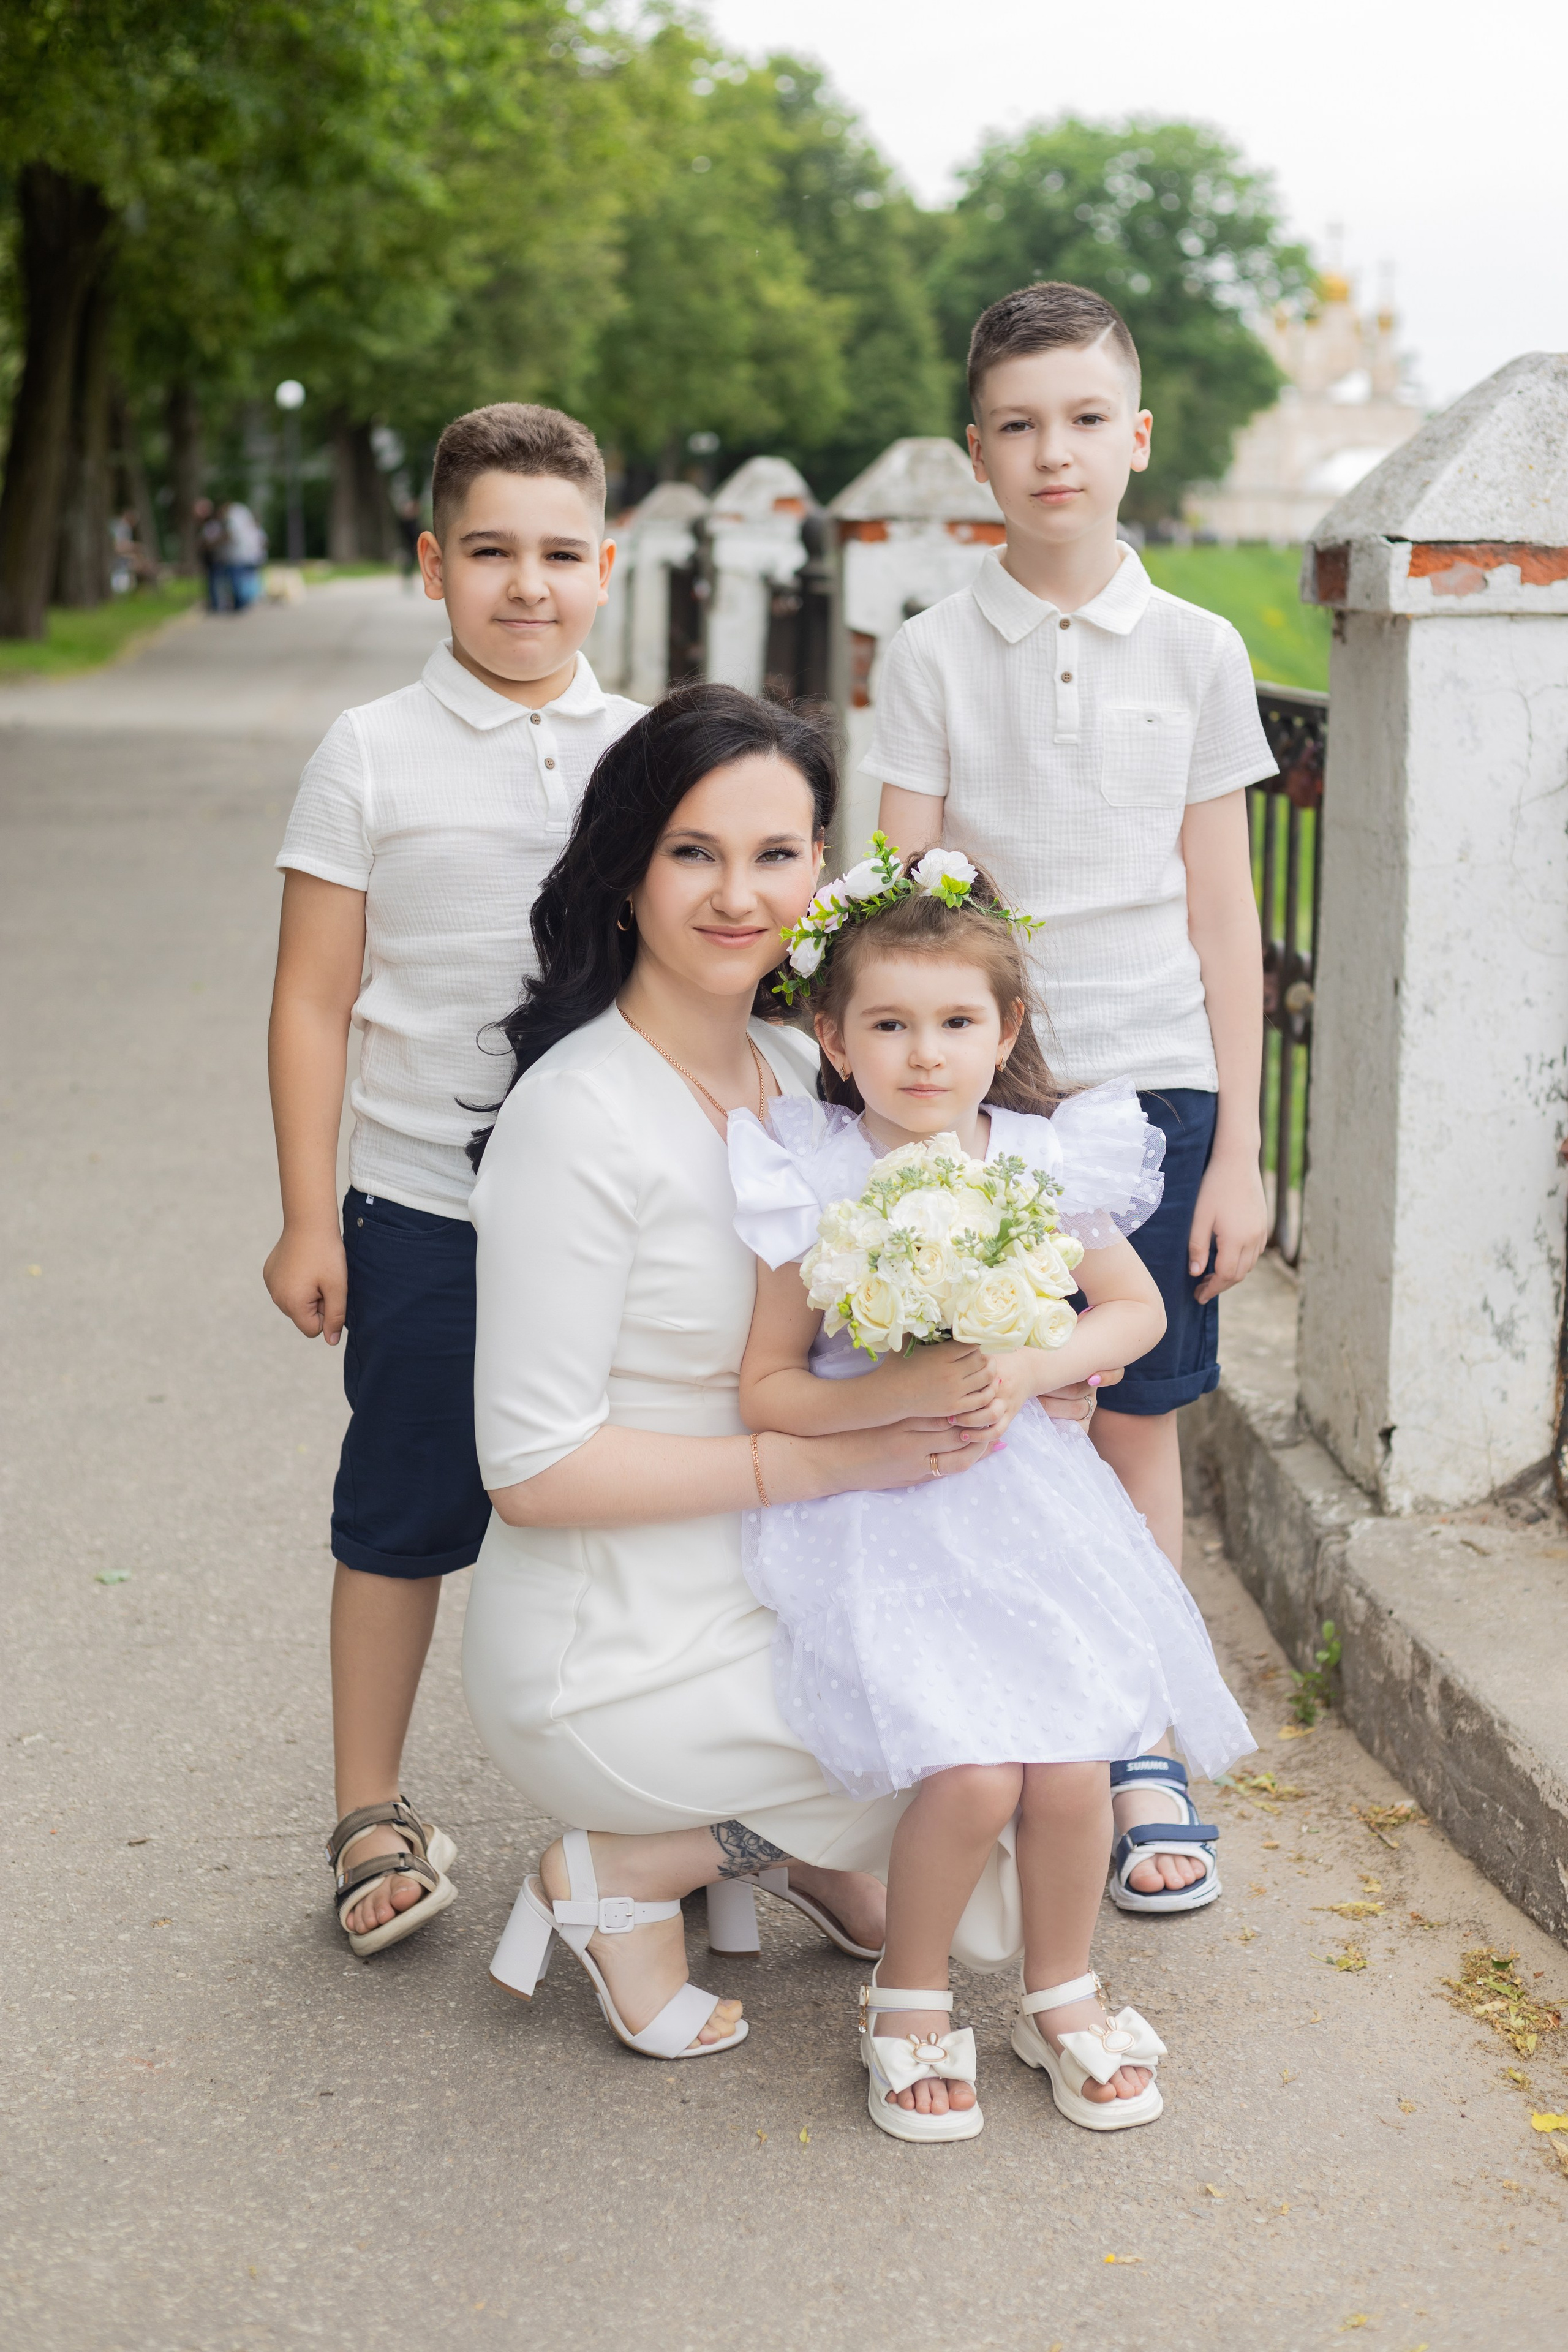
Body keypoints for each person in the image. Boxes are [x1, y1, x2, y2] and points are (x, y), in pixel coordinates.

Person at [462, 687, 1033, 2064]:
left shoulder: (800, 1061)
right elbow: (532, 1473)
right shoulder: (577, 1115)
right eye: (692, 853)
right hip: (619, 1637)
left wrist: (999, 1352)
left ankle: (764, 1853)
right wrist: (838, 1457)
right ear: (623, 872)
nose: (739, 896)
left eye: (777, 855)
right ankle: (630, 1870)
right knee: (981, 1773)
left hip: (787, 1569)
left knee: (1039, 1731)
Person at [728, 847, 1253, 2139]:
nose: (923, 1055)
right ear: (832, 1040)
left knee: (1070, 1764)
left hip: (1025, 1504)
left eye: (956, 1022)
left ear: (1004, 1027)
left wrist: (1029, 1364)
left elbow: (1129, 1313)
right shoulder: (814, 1169)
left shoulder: (1041, 1154)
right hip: (880, 1510)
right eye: (888, 1025)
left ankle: (1057, 1991)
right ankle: (906, 2001)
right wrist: (887, 1401)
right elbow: (767, 1388)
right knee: (970, 1775)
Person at [867, 280, 1277, 1917]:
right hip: (997, 1102)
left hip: (1159, 1084)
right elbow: (910, 892)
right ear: (980, 452)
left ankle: (1134, 1734)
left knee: (1141, 1419)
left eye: (1088, 420)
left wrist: (1240, 1144)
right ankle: (981, 1716)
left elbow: (1224, 908)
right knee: (1003, 1410)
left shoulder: (1198, 648)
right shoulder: (930, 650)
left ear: (1138, 440)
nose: (1057, 454)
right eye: (1021, 425)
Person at [263, 403, 641, 1958]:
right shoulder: (369, 750)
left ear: (606, 568)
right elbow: (310, 995)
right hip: (422, 1202)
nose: (526, 584)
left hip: (614, 1213)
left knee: (621, 1510)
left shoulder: (645, 752)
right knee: (405, 1504)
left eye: (559, 553)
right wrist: (307, 1209)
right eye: (489, 550)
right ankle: (370, 1803)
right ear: (432, 564)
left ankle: (638, 1803)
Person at [220, 500, 268, 608]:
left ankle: (240, 602)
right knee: (247, 579)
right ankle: (246, 600)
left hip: (237, 556)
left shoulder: (233, 517)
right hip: (248, 556)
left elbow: (232, 535)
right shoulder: (243, 516)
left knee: (238, 581)